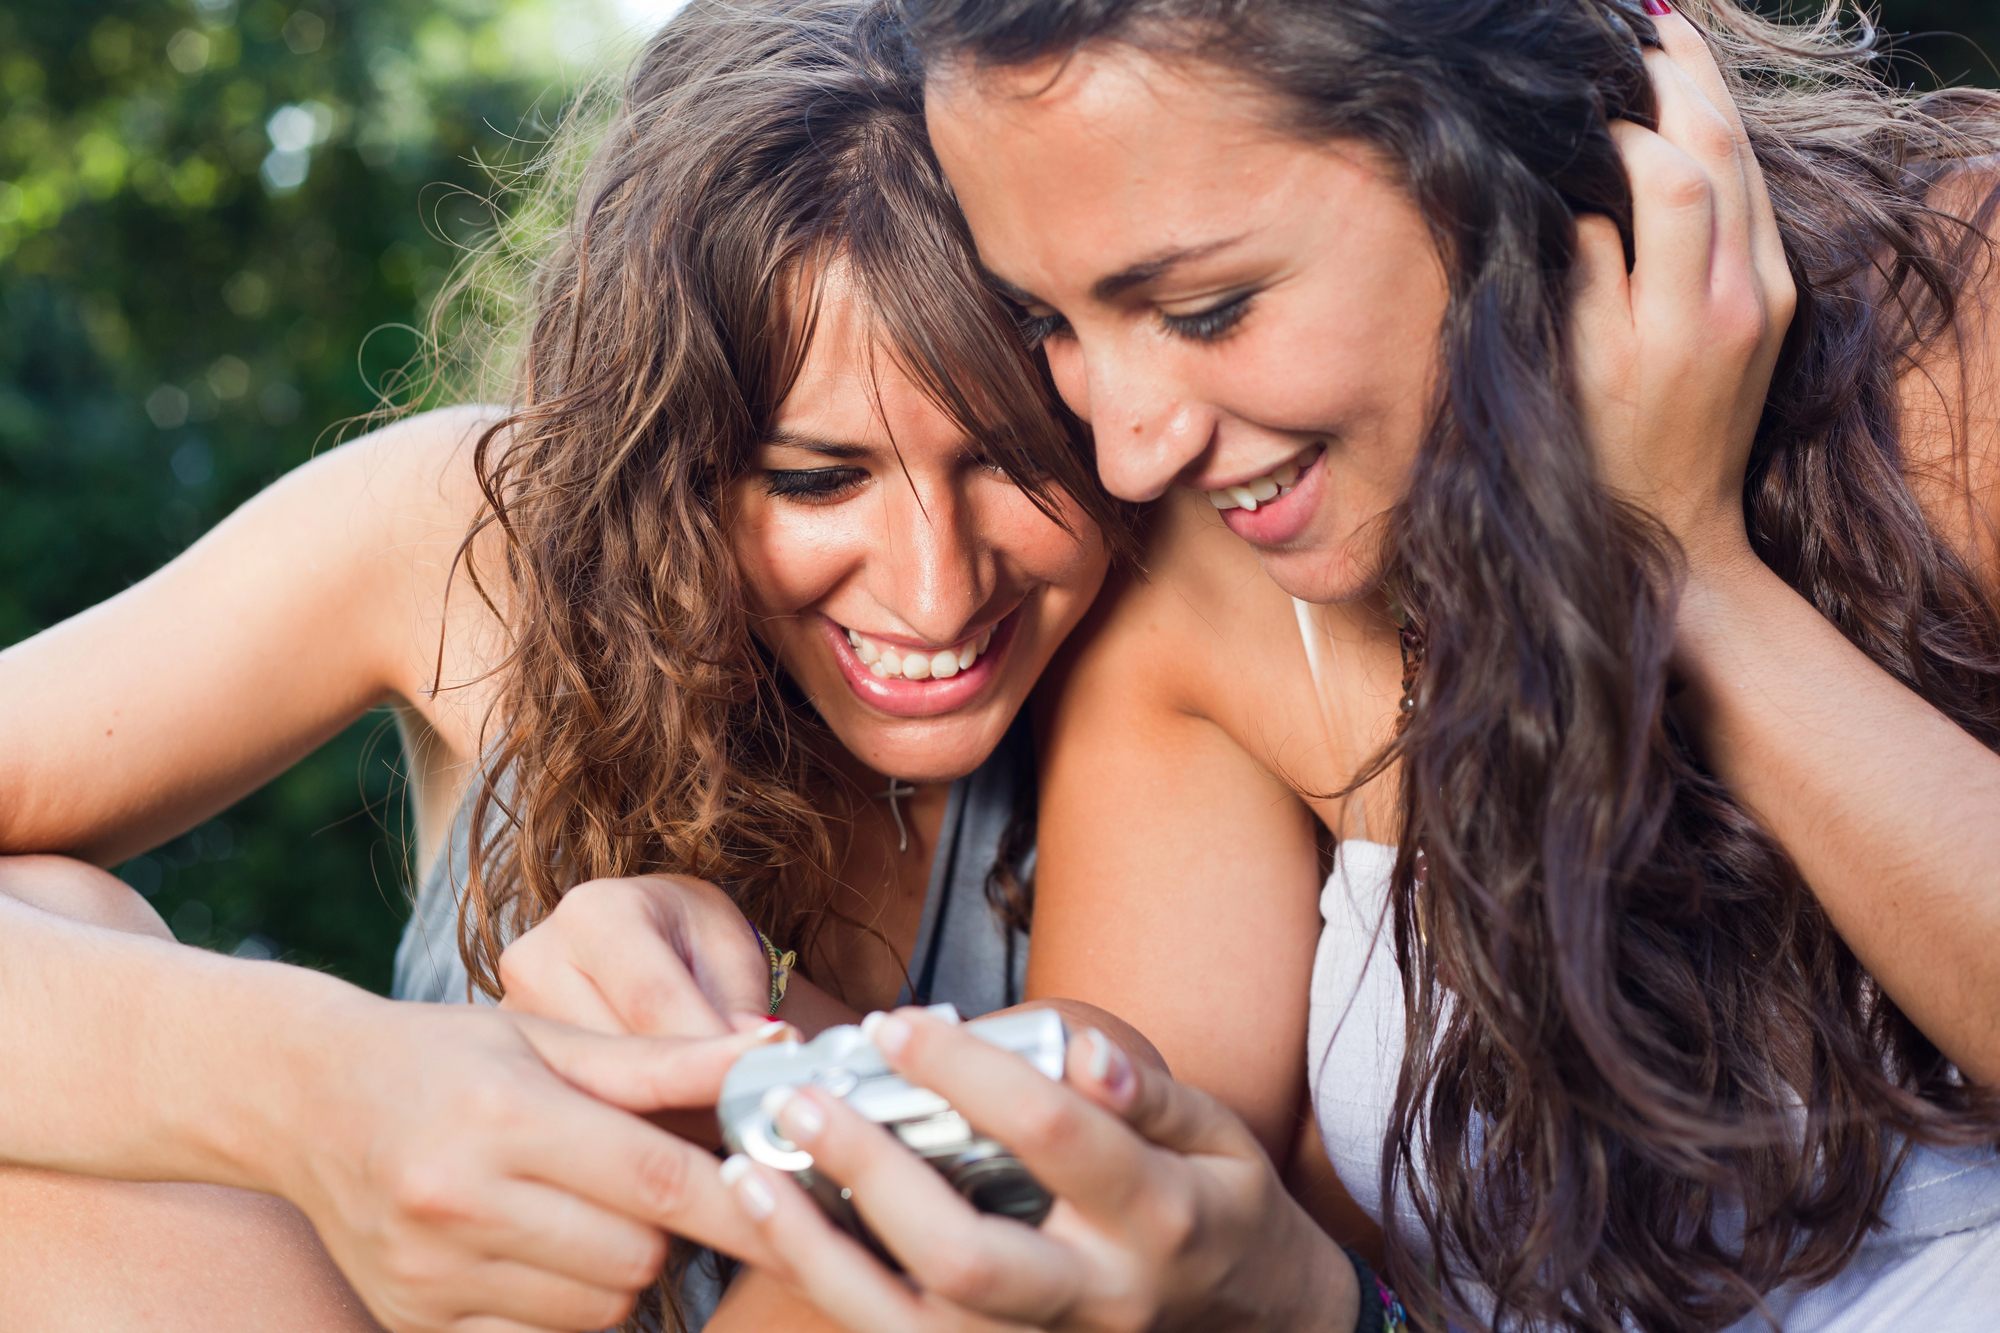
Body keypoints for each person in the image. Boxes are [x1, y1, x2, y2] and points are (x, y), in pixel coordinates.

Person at [709, 1, 2000, 1330]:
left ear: (1496, 141)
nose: (1128, 456)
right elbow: (1072, 1183)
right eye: (1049, 319)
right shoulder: (1211, 593)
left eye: (1206, 309)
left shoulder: (1963, 337)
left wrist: (1687, 569)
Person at [0, 1, 1146, 1328]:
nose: (937, 587)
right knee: (47, 909)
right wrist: (321, 1089)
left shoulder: (1173, 656)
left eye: (1017, 457)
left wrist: (767, 1022)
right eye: (819, 479)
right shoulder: (474, 541)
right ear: (666, 456)